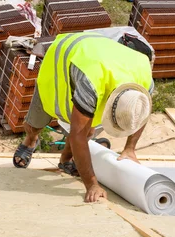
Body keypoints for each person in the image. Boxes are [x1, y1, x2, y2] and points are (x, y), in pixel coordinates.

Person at [13, 31, 154, 203]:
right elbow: (77, 135)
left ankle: (65, 160)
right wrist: (92, 184)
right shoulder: (92, 82)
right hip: (65, 57)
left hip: (100, 60)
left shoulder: (144, 82)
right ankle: (30, 140)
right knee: (41, 120)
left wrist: (130, 148)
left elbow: (141, 114)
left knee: (88, 130)